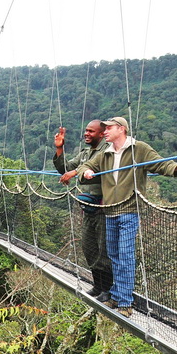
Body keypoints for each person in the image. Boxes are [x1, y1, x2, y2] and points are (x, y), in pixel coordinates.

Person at [76, 116, 177, 317]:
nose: (105, 132)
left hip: (129, 211)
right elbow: (86, 166)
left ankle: (125, 303)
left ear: (121, 129)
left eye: (108, 128)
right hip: (110, 211)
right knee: (114, 256)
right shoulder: (105, 153)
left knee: (126, 256)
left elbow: (159, 163)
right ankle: (115, 295)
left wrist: (176, 168)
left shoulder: (139, 149)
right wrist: (85, 173)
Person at [53, 121, 113, 302]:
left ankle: (107, 289)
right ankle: (97, 285)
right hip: (88, 208)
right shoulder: (86, 153)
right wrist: (59, 149)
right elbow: (65, 169)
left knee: (104, 250)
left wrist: (75, 173)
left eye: (91, 131)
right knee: (89, 247)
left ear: (101, 134)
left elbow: (98, 167)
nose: (86, 134)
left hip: (103, 207)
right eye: (86, 130)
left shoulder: (107, 151)